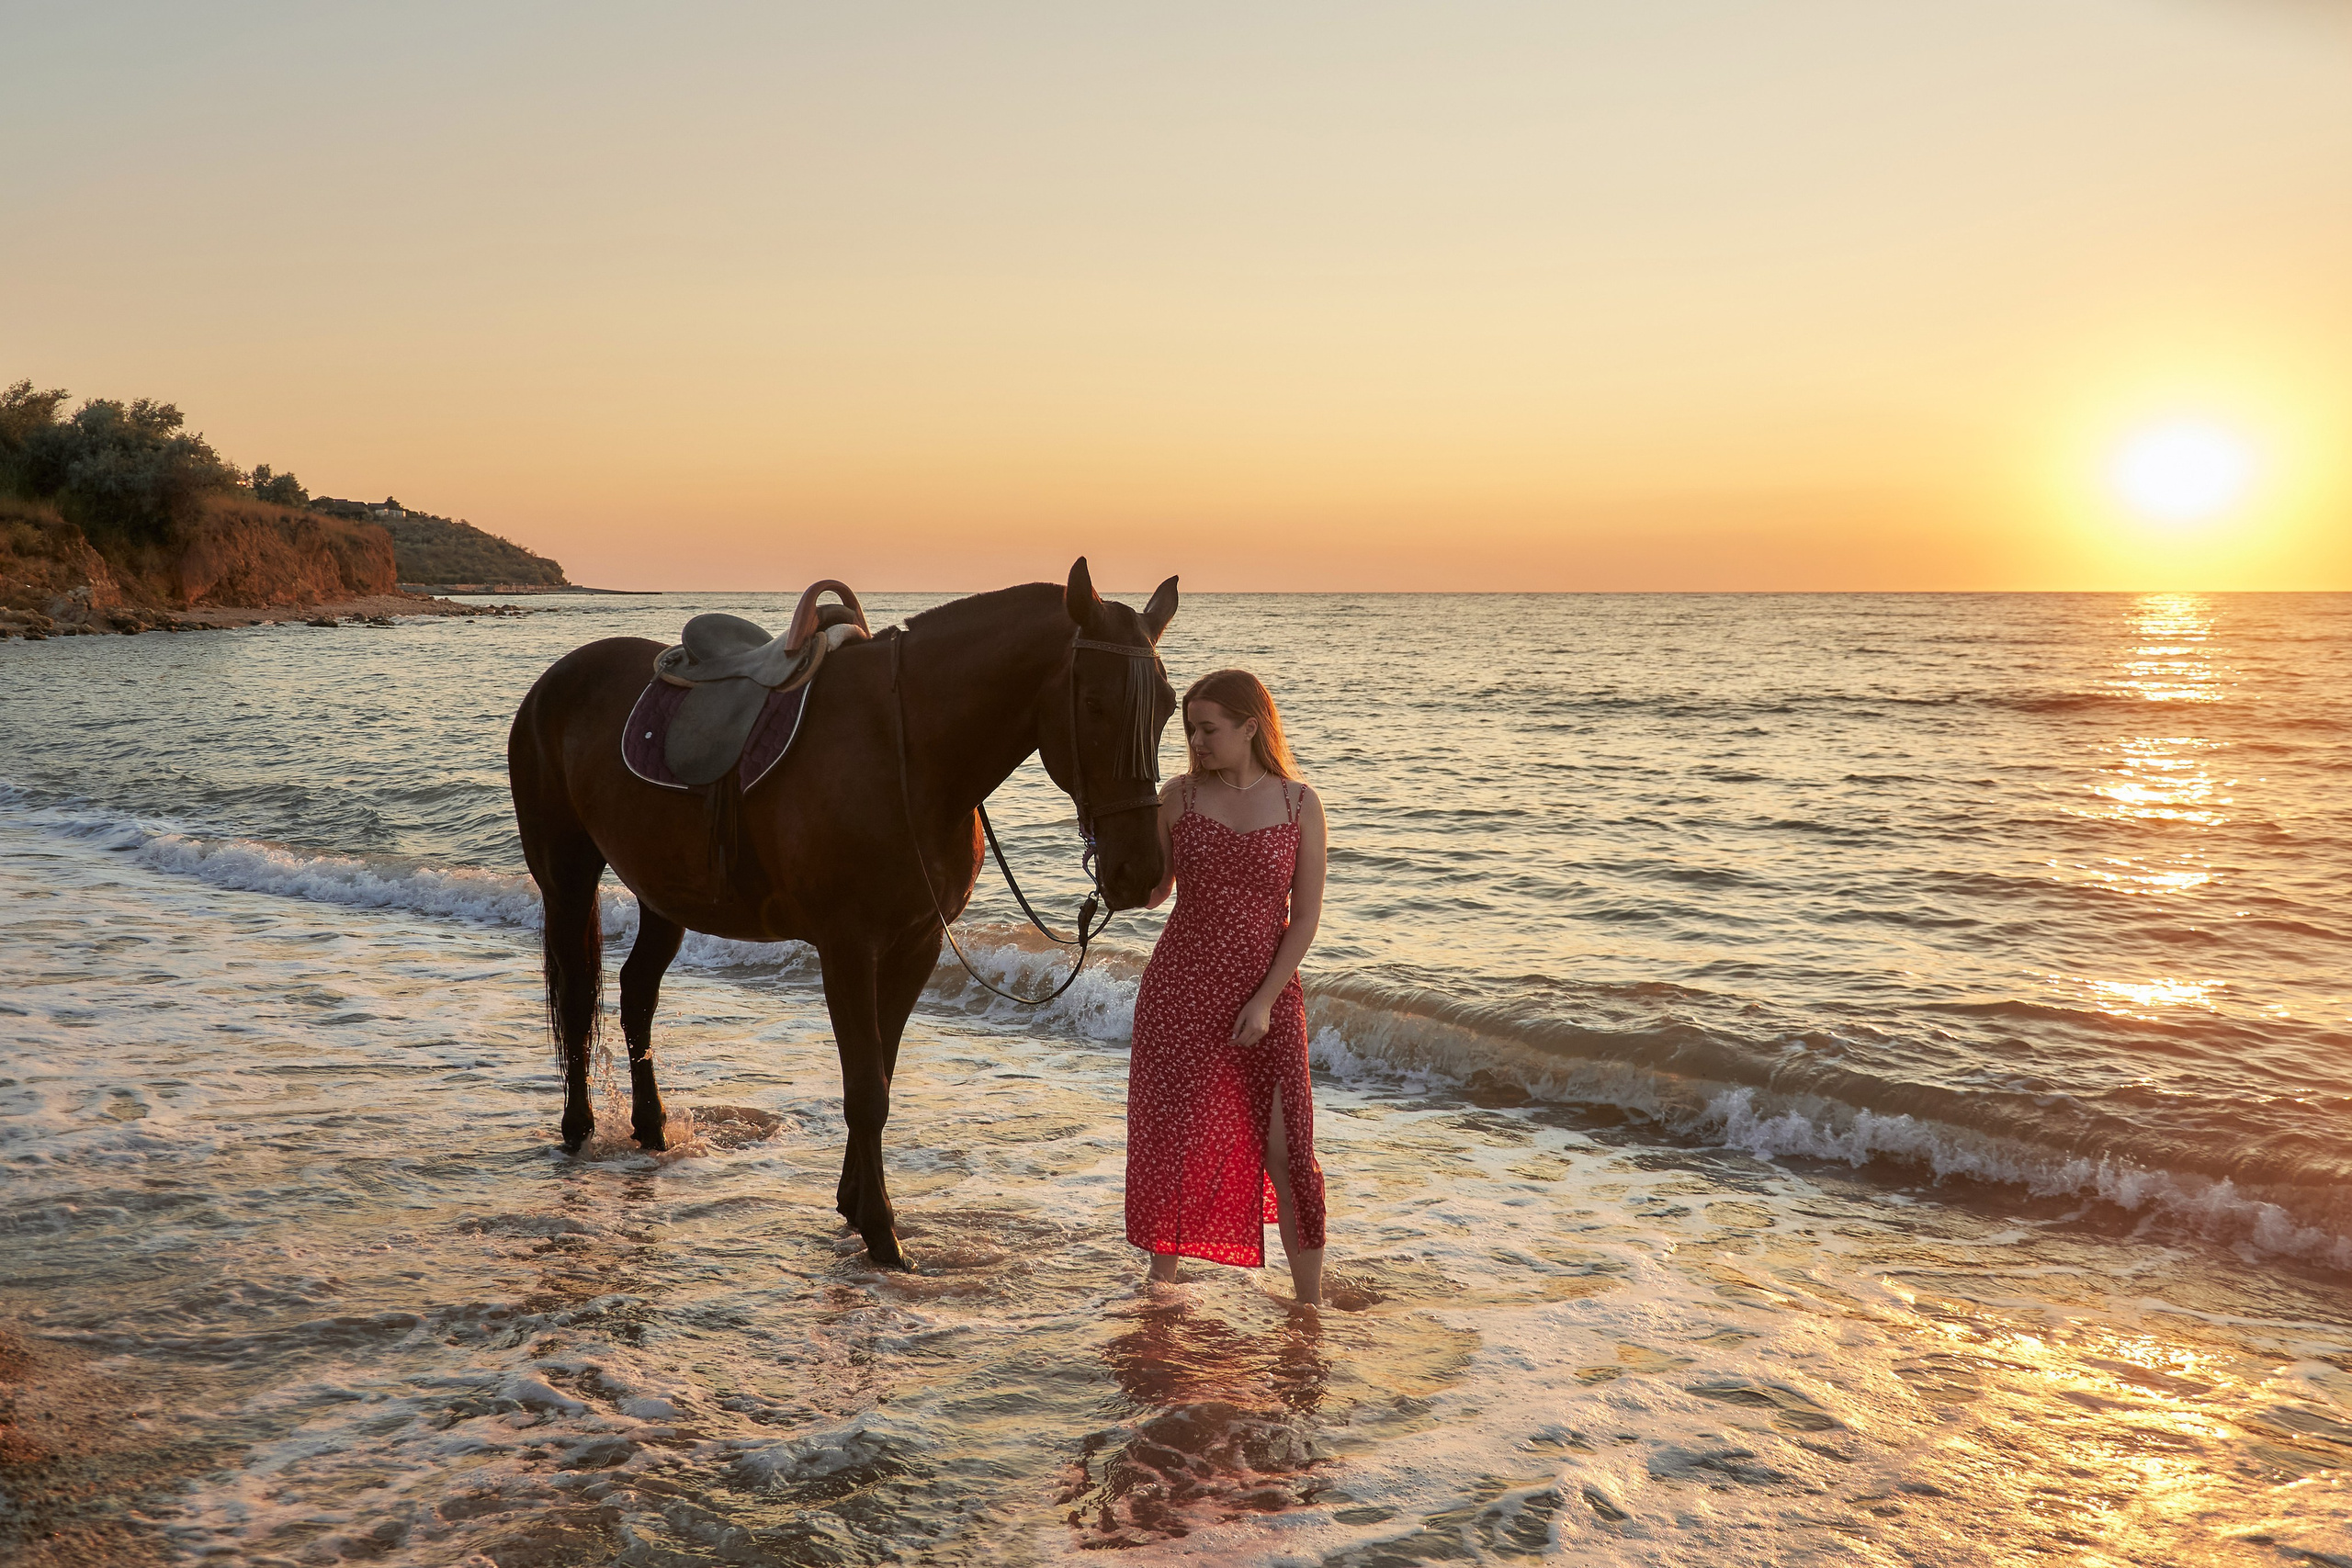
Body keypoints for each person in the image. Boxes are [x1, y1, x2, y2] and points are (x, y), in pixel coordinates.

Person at [1126, 668, 1331, 1305]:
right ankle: (1160, 1291)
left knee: (1290, 1150)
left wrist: (1266, 998)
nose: (1196, 740)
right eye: (1190, 729)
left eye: (1208, 728)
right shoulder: (1178, 797)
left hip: (1266, 997)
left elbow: (1305, 921)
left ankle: (1310, 1305)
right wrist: (1110, 864)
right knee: (1175, 1137)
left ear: (1251, 726)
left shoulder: (1301, 804)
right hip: (1180, 989)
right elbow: (1155, 890)